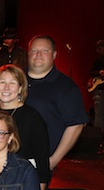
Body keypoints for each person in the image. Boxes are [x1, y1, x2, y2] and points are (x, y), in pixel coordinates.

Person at [25, 35, 89, 174]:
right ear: (28, 53)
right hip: (7, 159)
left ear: (54, 55)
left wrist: (53, 161)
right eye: (34, 50)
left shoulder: (66, 87)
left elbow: (76, 125)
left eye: (45, 51)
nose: (38, 55)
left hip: (38, 164)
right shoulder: (14, 80)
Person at [0, 64, 50, 190]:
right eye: (2, 82)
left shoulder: (33, 117)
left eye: (12, 83)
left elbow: (42, 161)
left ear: (20, 88)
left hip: (21, 186)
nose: (6, 87)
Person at [0, 28, 28, 112]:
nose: (6, 41)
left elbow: (26, 68)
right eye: (5, 38)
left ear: (14, 40)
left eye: (9, 38)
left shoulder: (22, 53)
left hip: (17, 85)